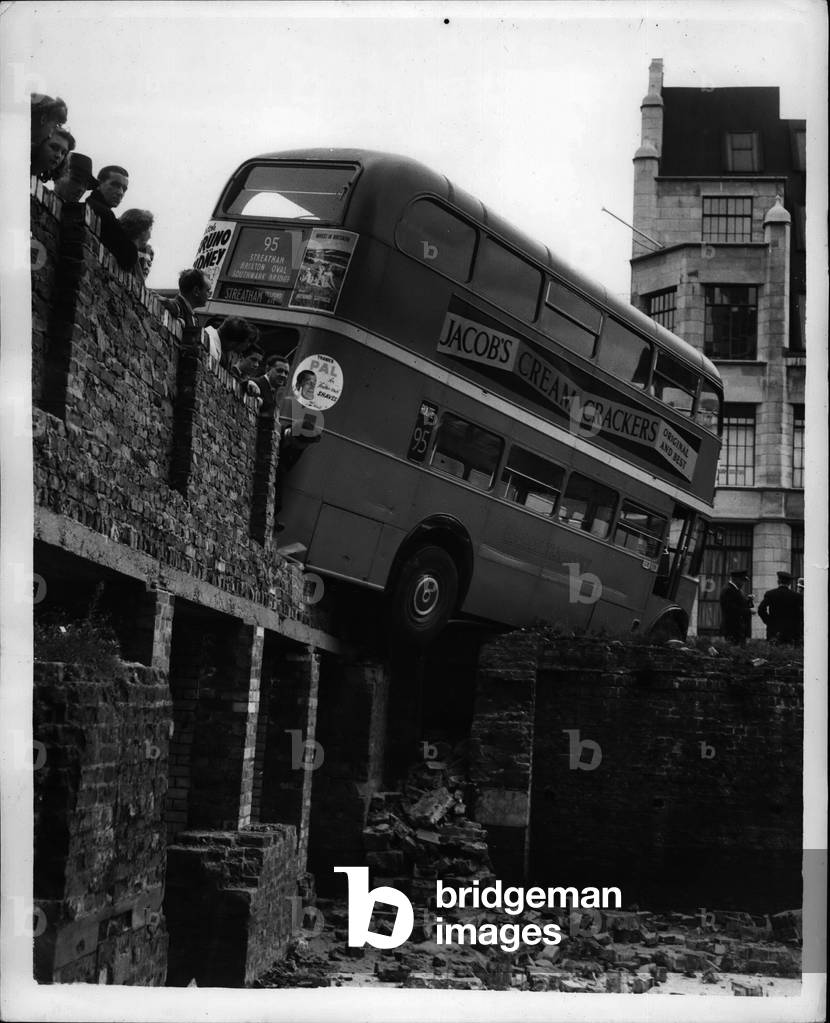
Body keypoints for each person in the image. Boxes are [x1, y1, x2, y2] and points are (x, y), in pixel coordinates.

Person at [86, 166, 138, 271]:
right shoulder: (102, 212)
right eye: (115, 185)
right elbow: (128, 258)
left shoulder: (101, 209)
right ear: (99, 184)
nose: (120, 193)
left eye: (124, 188)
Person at [757, 571, 801, 644]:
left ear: (778, 581)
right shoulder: (796, 596)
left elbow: (761, 609)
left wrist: (769, 622)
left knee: (775, 653)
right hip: (791, 632)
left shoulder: (770, 594)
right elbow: (801, 613)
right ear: (789, 583)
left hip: (774, 631)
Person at [719, 569, 753, 645]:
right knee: (733, 650)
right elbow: (731, 609)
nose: (743, 583)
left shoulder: (736, 590)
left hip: (739, 629)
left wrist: (749, 600)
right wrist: (749, 611)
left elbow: (740, 604)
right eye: (741, 580)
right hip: (732, 629)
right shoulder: (728, 590)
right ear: (735, 579)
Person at [117, 208, 155, 279]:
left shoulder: (127, 250)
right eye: (150, 229)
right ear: (143, 231)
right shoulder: (130, 255)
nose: (150, 236)